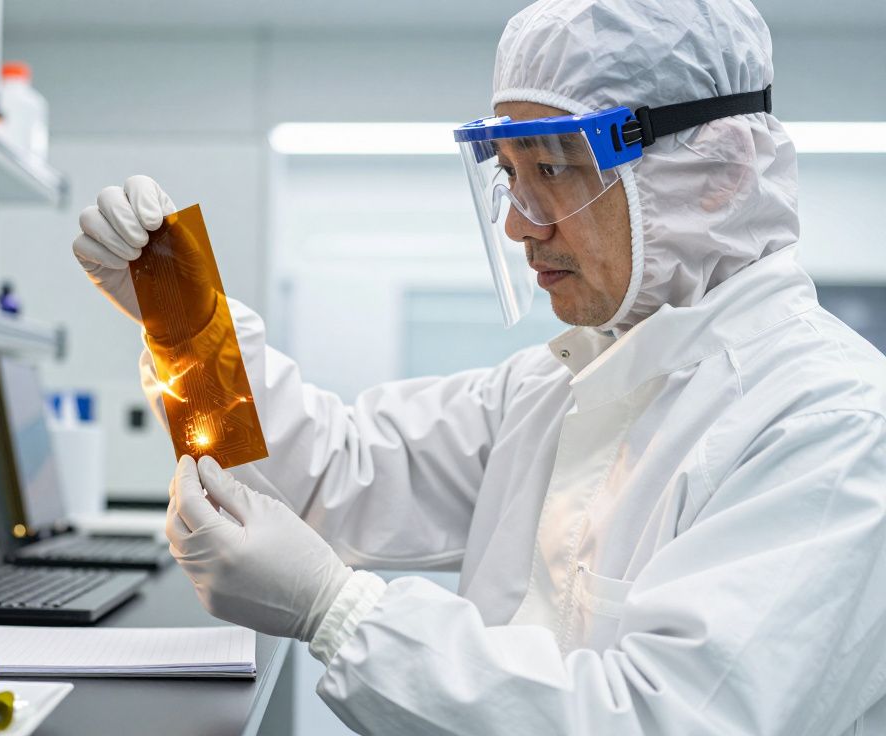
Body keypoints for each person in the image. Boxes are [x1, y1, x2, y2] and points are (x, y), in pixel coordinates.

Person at [71, 0, 886, 732]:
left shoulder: (828, 425)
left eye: (556, 169)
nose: (520, 227)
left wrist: (340, 613)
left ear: (719, 176)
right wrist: (180, 311)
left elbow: (658, 720)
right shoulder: (562, 383)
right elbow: (336, 475)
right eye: (511, 175)